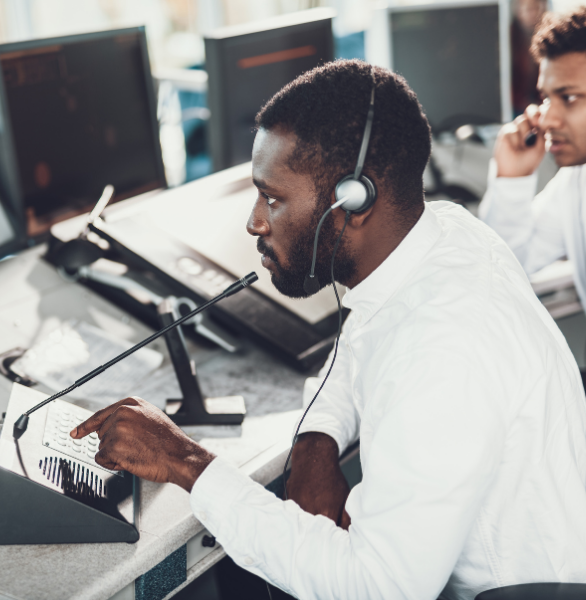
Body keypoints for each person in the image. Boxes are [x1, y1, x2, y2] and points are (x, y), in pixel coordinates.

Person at [72, 60, 586, 599]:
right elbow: (364, 331)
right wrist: (317, 439)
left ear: (354, 202)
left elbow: (375, 588)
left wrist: (187, 463)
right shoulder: (446, 233)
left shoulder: (442, 352)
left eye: (272, 198)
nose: (254, 221)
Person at [480, 8, 586, 305]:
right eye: (546, 98)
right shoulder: (576, 180)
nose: (547, 118)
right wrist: (512, 179)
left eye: (569, 97)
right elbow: (503, 267)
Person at [510, 0, 548, 115]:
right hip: (516, 104)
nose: (533, 13)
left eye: (536, 8)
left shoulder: (546, 33)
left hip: (540, 100)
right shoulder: (509, 36)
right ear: (518, 10)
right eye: (528, 9)